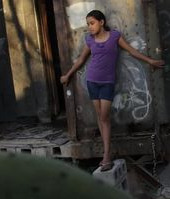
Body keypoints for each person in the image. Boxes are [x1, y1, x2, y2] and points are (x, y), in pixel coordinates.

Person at [60, 10, 164, 171]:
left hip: (107, 83)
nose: (90, 27)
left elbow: (131, 51)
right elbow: (81, 59)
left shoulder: (115, 36)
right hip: (92, 81)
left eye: (92, 23)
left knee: (104, 117)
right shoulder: (90, 40)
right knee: (100, 118)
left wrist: (150, 61)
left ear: (102, 22)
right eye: (88, 24)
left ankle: (107, 154)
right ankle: (106, 153)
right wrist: (68, 75)